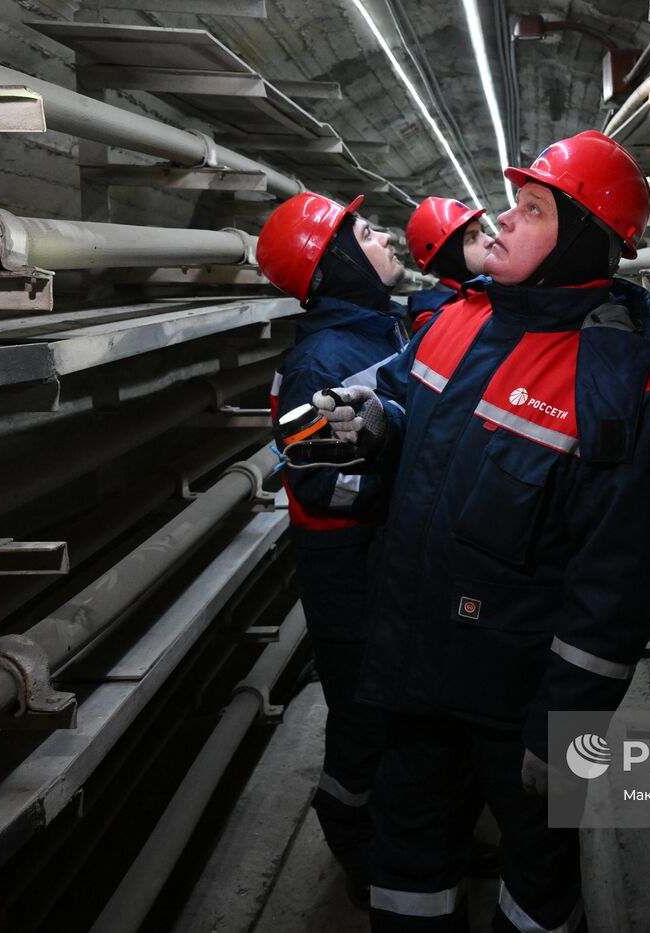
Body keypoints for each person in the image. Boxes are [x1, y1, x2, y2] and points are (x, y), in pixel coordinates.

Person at [314, 131, 650, 932]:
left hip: (515, 700)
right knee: (407, 864)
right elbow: (408, 413)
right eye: (513, 204)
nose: (504, 220)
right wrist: (379, 424)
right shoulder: (458, 321)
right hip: (414, 664)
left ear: (583, 239)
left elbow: (614, 591)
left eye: (534, 210)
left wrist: (564, 730)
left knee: (537, 885)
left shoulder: (622, 393)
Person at [255, 191, 404, 909]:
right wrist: (412, 469)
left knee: (400, 712)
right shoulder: (321, 362)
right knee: (363, 719)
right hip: (349, 571)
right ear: (335, 261)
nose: (387, 239)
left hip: (384, 560)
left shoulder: (379, 330)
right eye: (368, 234)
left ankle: (410, 838)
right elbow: (322, 486)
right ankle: (357, 845)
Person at [404, 196, 495, 333]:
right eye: (472, 237)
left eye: (483, 232)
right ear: (449, 258)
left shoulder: (493, 289)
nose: (490, 240)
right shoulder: (434, 320)